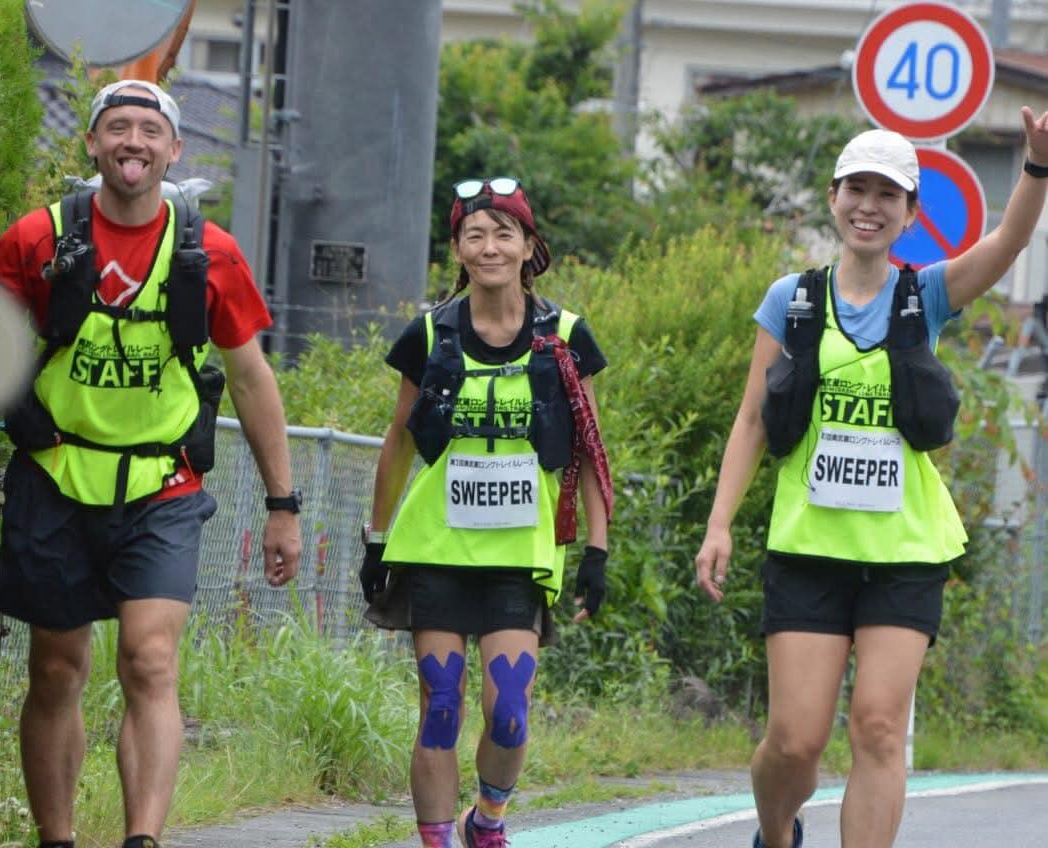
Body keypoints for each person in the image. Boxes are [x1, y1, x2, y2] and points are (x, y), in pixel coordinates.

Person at [694, 106, 1048, 848]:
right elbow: (752, 420)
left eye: (888, 194)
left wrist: (1037, 165)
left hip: (905, 551)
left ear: (910, 214)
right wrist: (719, 523)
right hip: (809, 547)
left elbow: (1009, 242)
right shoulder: (791, 299)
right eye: (856, 189)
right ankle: (776, 833)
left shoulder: (926, 296)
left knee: (879, 727)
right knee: (794, 742)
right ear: (833, 198)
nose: (869, 206)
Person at [0, 80, 303, 848]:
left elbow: (252, 377)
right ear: (92, 143)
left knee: (151, 661)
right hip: (55, 480)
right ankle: (56, 838)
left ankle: (142, 840)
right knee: (56, 670)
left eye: (150, 130)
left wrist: (282, 505)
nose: (134, 142)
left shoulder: (208, 252)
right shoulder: (39, 237)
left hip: (164, 487)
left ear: (174, 149)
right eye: (118, 127)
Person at [359, 177, 613, 848]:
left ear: (529, 246)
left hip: (518, 553)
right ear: (457, 250)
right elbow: (398, 441)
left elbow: (589, 447)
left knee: (509, 711)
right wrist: (376, 539)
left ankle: (487, 819)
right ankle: (437, 839)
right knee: (440, 705)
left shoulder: (563, 338)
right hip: (435, 547)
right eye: (475, 235)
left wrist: (596, 549)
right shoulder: (429, 334)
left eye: (505, 233)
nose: (490, 247)